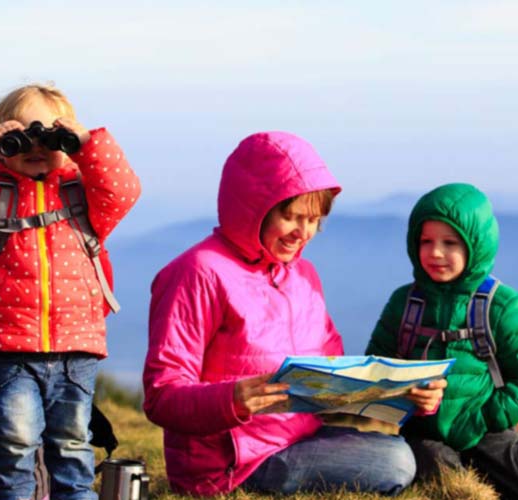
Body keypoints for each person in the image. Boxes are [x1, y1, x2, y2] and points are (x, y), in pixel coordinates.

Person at [143, 131, 443, 496]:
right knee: (393, 461)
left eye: (315, 220)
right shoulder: (198, 272)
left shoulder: (303, 276)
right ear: (253, 208)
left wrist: (404, 393)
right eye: (291, 217)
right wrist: (231, 399)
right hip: (232, 463)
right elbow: (161, 397)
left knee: (419, 454)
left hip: (300, 437)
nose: (304, 233)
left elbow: (331, 376)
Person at [0, 83, 140, 500]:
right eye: (22, 136)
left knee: (72, 446)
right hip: (9, 348)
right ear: (2, 141)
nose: (36, 146)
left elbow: (124, 190)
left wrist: (87, 143)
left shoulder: (85, 198)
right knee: (14, 447)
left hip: (76, 346)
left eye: (48, 136)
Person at [365, 183, 518, 500]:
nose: (435, 252)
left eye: (450, 243)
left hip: (485, 426)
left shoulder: (502, 306)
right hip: (424, 432)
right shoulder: (403, 303)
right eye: (426, 241)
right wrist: (405, 394)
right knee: (451, 488)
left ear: (476, 245)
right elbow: (375, 367)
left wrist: (485, 417)